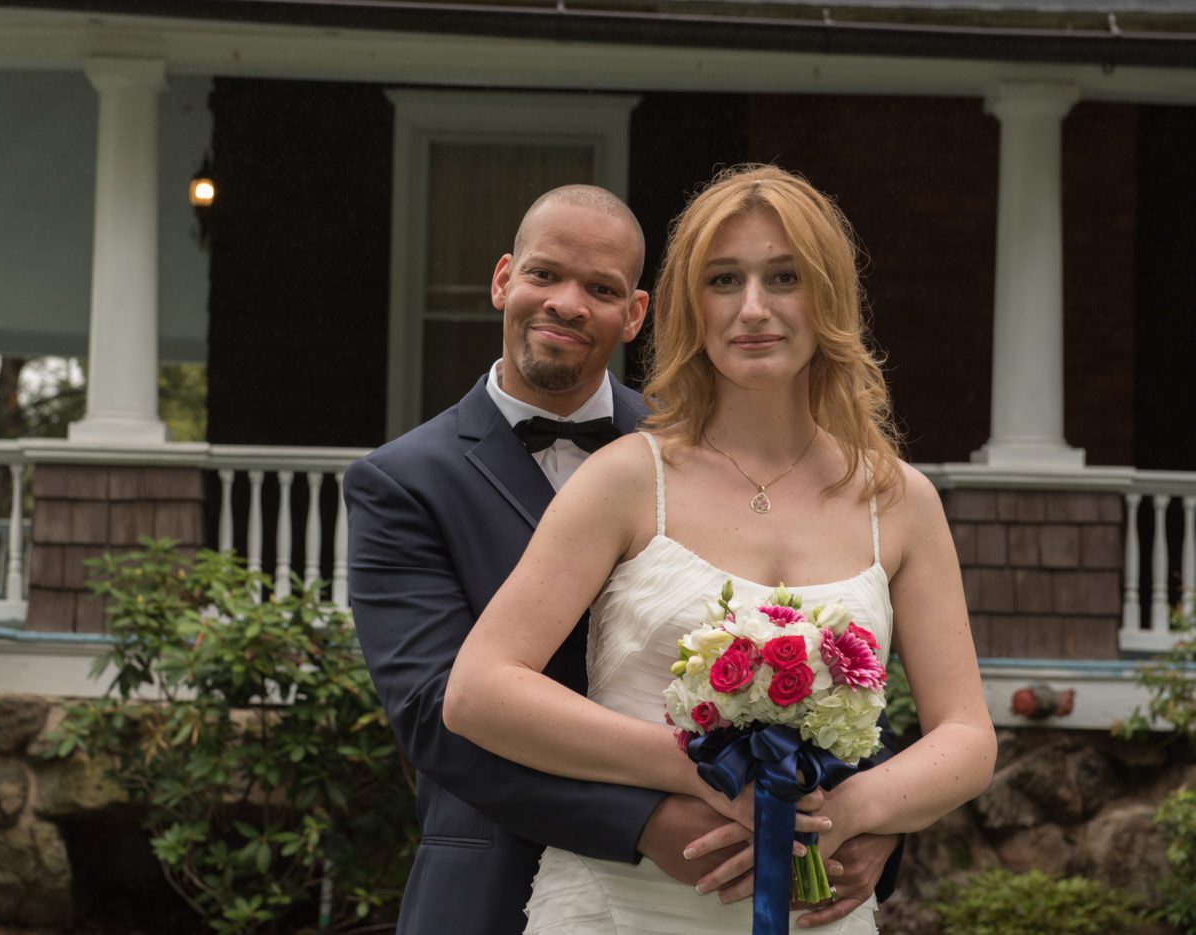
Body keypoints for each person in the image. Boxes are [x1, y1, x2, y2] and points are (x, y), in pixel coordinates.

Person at [445, 165, 996, 933]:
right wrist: (707, 771)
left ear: (829, 297)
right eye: (723, 279)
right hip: (617, 904)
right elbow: (479, 691)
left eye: (784, 277)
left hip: (816, 907)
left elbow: (968, 734)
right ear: (686, 306)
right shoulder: (626, 479)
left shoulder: (899, 501)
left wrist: (848, 809)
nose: (753, 309)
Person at [346, 181, 902, 935]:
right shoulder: (403, 480)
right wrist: (646, 819)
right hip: (497, 883)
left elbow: (814, 633)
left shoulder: (707, 449)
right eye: (545, 274)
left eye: (601, 287)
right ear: (504, 278)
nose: (568, 303)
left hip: (749, 870)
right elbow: (437, 717)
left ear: (635, 312)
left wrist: (868, 816)